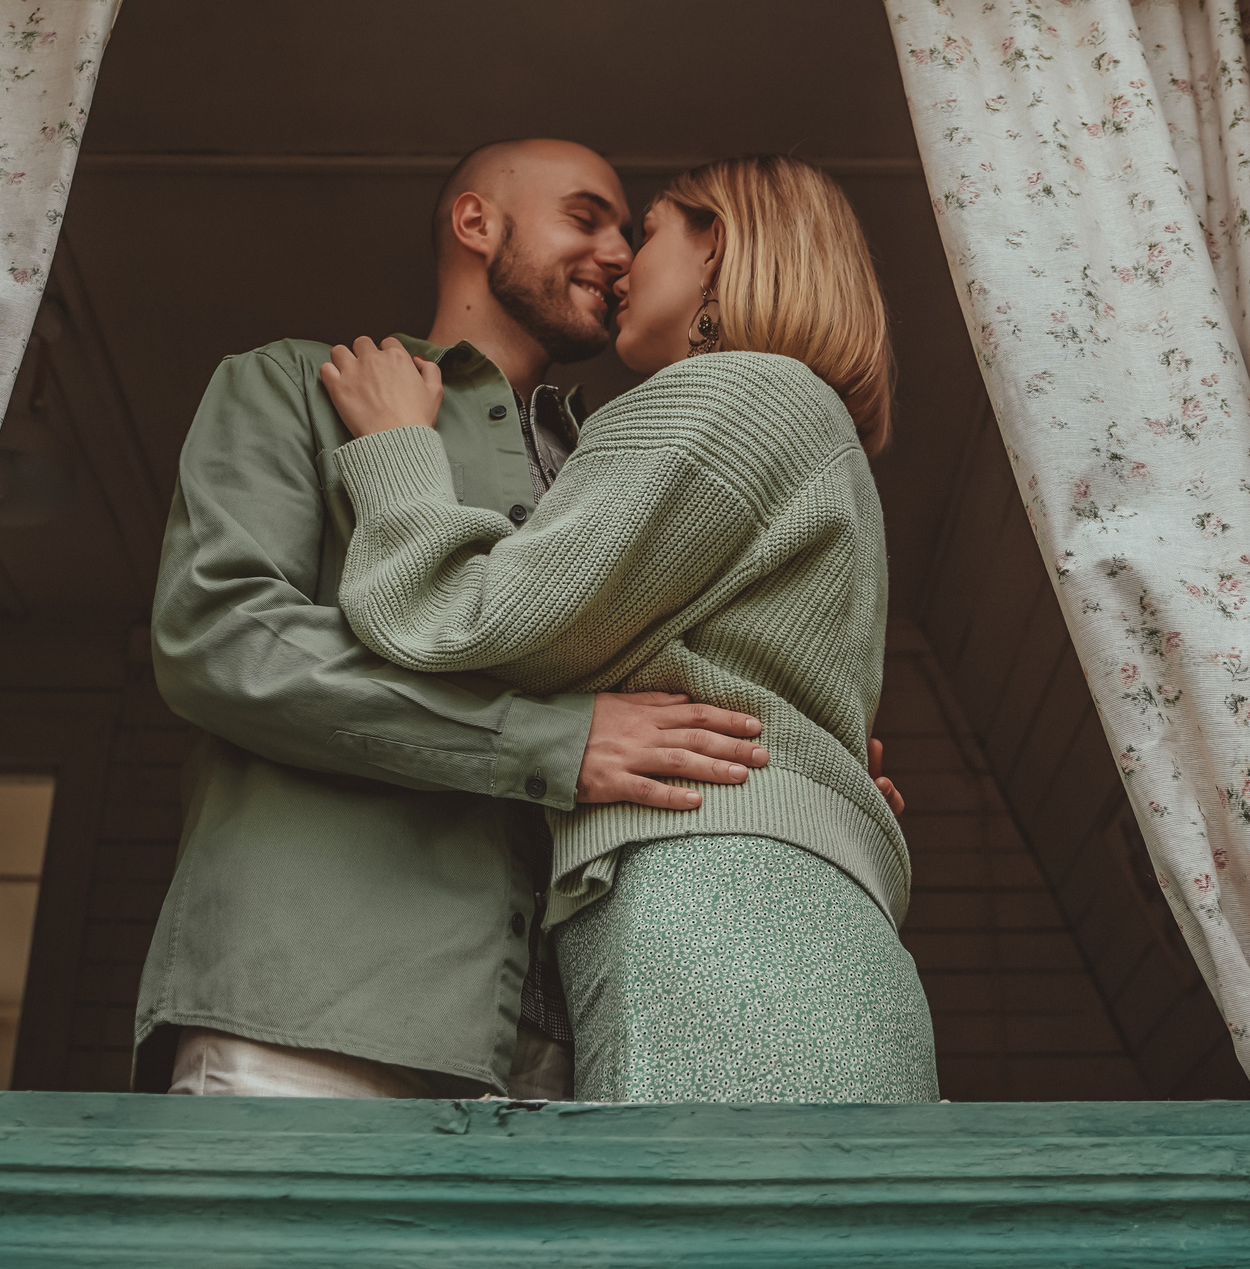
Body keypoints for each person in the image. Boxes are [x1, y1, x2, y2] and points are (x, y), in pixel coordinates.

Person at [138, 139, 790, 1100]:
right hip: (316, 1017)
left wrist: (798, 760)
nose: (618, 250)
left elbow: (683, 705)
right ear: (476, 222)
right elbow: (222, 641)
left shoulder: (627, 468)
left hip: (588, 1063)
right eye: (586, 216)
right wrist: (545, 739)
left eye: (629, 229)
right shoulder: (291, 386)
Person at [318, 156, 938, 1104]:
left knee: (698, 1234)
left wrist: (397, 450)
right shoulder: (817, 434)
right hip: (813, 914)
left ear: (716, 245)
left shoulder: (734, 396)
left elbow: (475, 622)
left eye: (647, 231)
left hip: (722, 895)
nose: (619, 263)